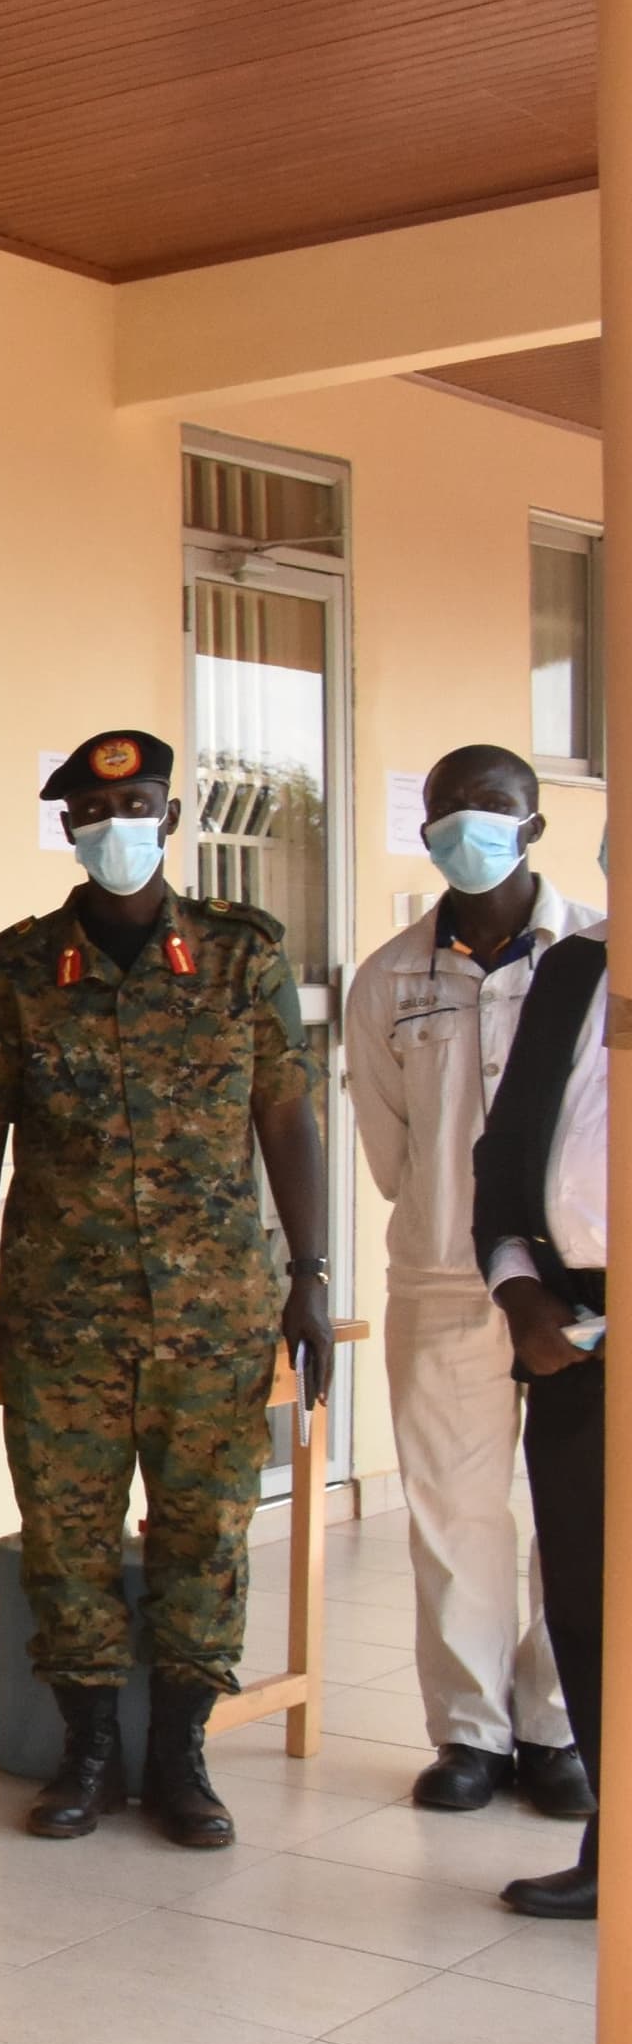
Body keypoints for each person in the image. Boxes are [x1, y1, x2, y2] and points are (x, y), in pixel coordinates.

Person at [0, 727, 329, 1852]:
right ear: (71, 827)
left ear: (170, 815)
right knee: (66, 1530)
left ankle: (182, 1758)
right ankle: (88, 1748)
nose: (120, 825)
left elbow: (286, 1116)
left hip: (215, 1308)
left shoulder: (241, 955)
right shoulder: (19, 967)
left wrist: (308, 1276)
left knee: (204, 1529)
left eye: (142, 803)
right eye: (98, 811)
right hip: (62, 1309)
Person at [350, 743, 594, 1819]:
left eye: (492, 808)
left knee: (573, 1512)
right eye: (448, 809)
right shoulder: (389, 977)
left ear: (534, 825)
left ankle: (557, 1727)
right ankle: (470, 1735)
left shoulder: (593, 958)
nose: (468, 826)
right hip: (446, 1271)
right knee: (455, 1511)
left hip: (576, 1279)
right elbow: (390, 1145)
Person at [472, 893, 608, 1918]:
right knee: (590, 1599)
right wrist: (520, 1293)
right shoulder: (572, 973)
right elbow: (505, 1157)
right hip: (580, 1334)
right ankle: (620, 1844)